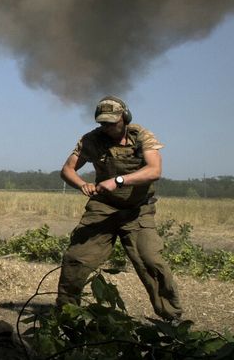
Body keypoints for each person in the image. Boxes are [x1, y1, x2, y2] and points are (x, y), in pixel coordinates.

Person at [55, 96, 184, 321]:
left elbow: (154, 170)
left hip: (137, 210)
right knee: (75, 259)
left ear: (124, 118)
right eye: (102, 123)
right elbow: (67, 170)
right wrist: (82, 184)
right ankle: (67, 317)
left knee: (151, 261)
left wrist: (118, 181)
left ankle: (171, 319)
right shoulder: (91, 140)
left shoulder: (141, 136)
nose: (107, 127)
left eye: (112, 122)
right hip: (103, 208)